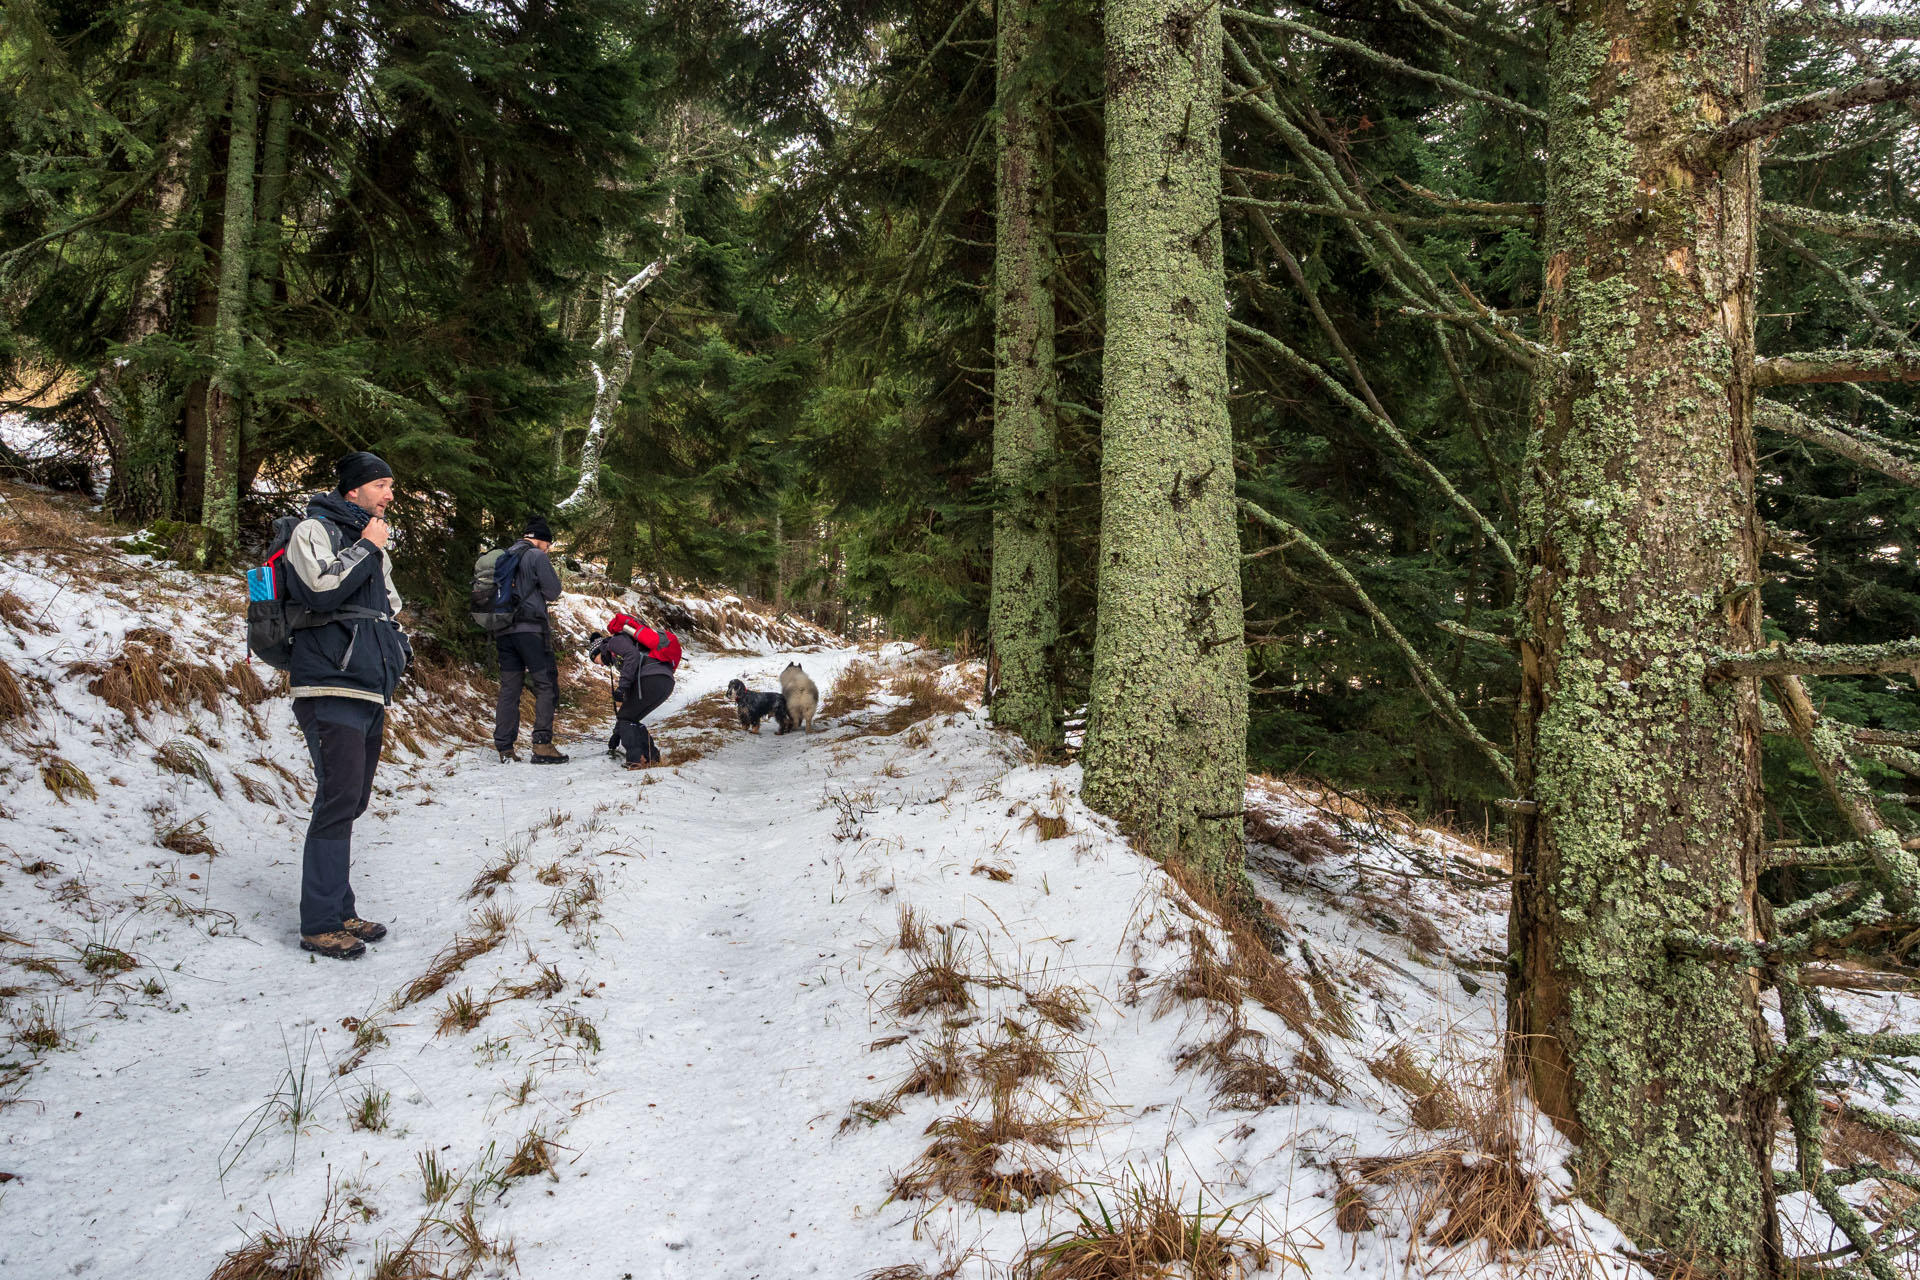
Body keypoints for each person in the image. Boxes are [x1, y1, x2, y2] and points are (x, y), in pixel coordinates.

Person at [285, 451, 412, 960]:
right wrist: (365, 547)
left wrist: (398, 649)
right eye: (381, 484)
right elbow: (319, 590)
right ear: (353, 489)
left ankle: (339, 909)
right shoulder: (312, 530)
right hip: (328, 686)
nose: (388, 494)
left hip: (368, 687)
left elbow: (391, 606)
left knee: (351, 799)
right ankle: (318, 923)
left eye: (391, 486)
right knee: (338, 799)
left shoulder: (371, 541)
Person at [492, 516, 569, 765]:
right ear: (540, 539)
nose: (547, 548)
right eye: (547, 544)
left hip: (504, 630)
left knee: (510, 688)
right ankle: (542, 745)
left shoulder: (504, 556)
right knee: (545, 684)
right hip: (531, 630)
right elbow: (553, 591)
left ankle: (505, 748)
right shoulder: (536, 556)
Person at [592, 626, 675, 769]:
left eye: (596, 660)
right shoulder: (619, 656)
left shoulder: (614, 642)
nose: (599, 664)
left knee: (626, 718)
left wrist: (622, 687)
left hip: (652, 678)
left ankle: (636, 759)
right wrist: (617, 734)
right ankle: (652, 757)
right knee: (630, 718)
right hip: (664, 681)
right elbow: (628, 705)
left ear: (598, 651)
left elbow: (633, 655)